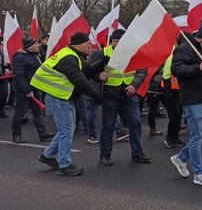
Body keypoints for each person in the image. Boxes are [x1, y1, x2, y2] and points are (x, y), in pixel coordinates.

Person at [31, 32, 104, 176]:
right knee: (66, 131)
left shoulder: (72, 54)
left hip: (63, 97)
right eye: (87, 43)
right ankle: (65, 165)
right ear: (78, 44)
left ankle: (47, 156)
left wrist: (102, 62)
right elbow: (81, 81)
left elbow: (87, 71)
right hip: (59, 98)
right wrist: (98, 97)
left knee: (67, 130)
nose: (90, 45)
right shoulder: (69, 58)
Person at [170, 21, 202, 186]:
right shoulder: (184, 48)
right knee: (197, 135)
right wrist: (199, 68)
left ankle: (181, 158)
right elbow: (176, 70)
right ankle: (199, 172)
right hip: (193, 99)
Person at [93, 29, 151, 166]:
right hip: (110, 95)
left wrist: (134, 85)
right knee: (108, 126)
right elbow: (90, 70)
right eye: (114, 40)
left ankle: (137, 153)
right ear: (111, 41)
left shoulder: (134, 52)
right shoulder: (103, 53)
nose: (117, 43)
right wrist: (98, 76)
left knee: (135, 124)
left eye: (119, 40)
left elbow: (142, 71)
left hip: (128, 94)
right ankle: (105, 155)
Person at [11, 37, 53, 143]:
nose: (38, 45)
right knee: (19, 113)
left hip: (34, 88)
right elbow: (19, 76)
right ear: (29, 47)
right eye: (35, 44)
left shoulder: (34, 55)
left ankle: (42, 134)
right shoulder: (19, 58)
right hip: (23, 91)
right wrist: (27, 91)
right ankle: (16, 135)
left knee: (37, 112)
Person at [161, 45, 184, 148]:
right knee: (174, 116)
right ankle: (169, 138)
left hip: (177, 90)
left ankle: (175, 137)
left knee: (178, 115)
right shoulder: (172, 58)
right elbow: (167, 75)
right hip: (171, 90)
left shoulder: (177, 57)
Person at [0, 39, 9, 118]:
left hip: (2, 77)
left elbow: (4, 65)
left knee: (4, 93)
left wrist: (6, 71)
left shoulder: (2, 55)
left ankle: (1, 110)